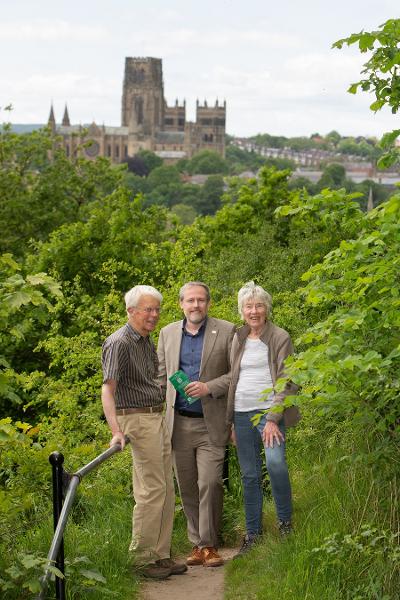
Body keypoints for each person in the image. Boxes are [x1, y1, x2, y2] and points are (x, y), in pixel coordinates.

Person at [101, 284, 187, 580]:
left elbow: (158, 378)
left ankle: (160, 555)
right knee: (151, 490)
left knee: (166, 487)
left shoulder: (144, 340)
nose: (154, 315)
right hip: (136, 419)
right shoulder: (119, 342)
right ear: (131, 311)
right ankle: (140, 558)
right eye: (148, 309)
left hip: (156, 416)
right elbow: (107, 390)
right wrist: (116, 430)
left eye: (157, 309)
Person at [157, 282, 235, 567]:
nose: (196, 306)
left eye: (201, 300)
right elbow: (159, 378)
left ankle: (210, 544)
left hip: (211, 423)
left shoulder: (227, 331)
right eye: (190, 301)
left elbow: (234, 376)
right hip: (178, 424)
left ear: (209, 304)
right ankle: (197, 544)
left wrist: (209, 387)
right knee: (187, 486)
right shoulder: (166, 334)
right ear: (181, 304)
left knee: (211, 482)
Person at [226, 281, 300, 558]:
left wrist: (272, 418)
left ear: (266, 308)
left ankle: (284, 524)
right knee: (249, 475)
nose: (253, 311)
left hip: (269, 415)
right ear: (242, 310)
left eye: (258, 305)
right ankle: (253, 534)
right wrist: (231, 422)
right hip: (241, 414)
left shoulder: (280, 336)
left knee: (276, 464)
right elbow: (233, 378)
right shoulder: (238, 336)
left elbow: (287, 381)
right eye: (248, 306)